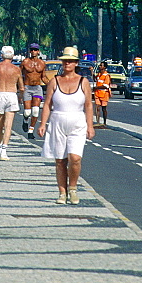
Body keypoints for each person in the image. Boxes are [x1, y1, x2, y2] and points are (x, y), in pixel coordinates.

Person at [38, 46, 95, 205]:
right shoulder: (54, 81)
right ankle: (62, 192)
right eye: (65, 61)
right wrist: (43, 124)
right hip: (57, 121)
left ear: (76, 63)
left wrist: (90, 126)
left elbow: (89, 105)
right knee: (60, 160)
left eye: (70, 61)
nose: (67, 64)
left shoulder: (83, 82)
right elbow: (47, 104)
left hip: (77, 122)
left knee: (75, 158)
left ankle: (73, 189)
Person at [0, 45, 23, 161]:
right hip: (11, 95)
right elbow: (21, 87)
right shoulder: (16, 69)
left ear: (1, 55)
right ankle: (4, 150)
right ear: (12, 56)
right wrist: (20, 98)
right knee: (8, 125)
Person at [20, 43, 46, 138]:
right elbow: (19, 75)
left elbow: (43, 77)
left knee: (35, 111)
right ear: (29, 51)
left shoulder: (42, 63)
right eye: (32, 50)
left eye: (35, 50)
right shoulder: (25, 62)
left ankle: (31, 131)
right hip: (27, 87)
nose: (33, 51)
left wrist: (52, 83)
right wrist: (20, 86)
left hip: (37, 88)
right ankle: (25, 120)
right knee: (27, 112)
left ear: (38, 51)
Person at [93, 61, 112, 127]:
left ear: (104, 67)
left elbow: (106, 86)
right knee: (97, 107)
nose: (99, 66)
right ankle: (97, 122)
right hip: (97, 93)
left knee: (104, 108)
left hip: (104, 93)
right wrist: (92, 72)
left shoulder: (106, 75)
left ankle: (104, 122)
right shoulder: (98, 74)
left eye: (101, 65)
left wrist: (96, 87)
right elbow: (95, 79)